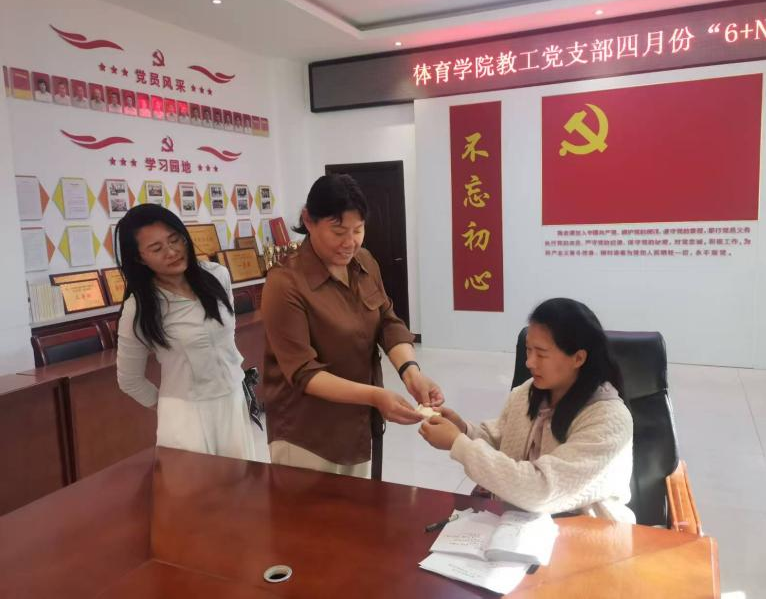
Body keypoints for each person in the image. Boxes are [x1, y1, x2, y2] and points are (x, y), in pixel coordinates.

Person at [261, 174, 443, 477]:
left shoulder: (364, 262)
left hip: (356, 425)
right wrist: (376, 396)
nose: (350, 243)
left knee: (357, 505)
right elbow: (304, 372)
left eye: (358, 230)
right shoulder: (285, 283)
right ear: (308, 220)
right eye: (338, 231)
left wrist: (412, 373)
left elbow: (387, 321)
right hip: (307, 433)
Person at [420, 298, 635, 523]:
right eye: (528, 350)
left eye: (541, 354)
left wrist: (458, 444)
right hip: (516, 526)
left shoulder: (609, 420)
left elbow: (541, 491)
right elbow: (500, 441)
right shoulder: (528, 392)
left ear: (578, 358)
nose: (529, 363)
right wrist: (463, 430)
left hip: (588, 535)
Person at [115, 204, 264, 461]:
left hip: (233, 402)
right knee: (195, 486)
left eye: (175, 239)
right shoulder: (139, 307)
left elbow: (226, 339)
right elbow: (129, 380)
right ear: (140, 258)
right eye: (157, 248)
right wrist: (169, 407)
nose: (172, 252)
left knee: (240, 482)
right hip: (186, 418)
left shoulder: (218, 276)